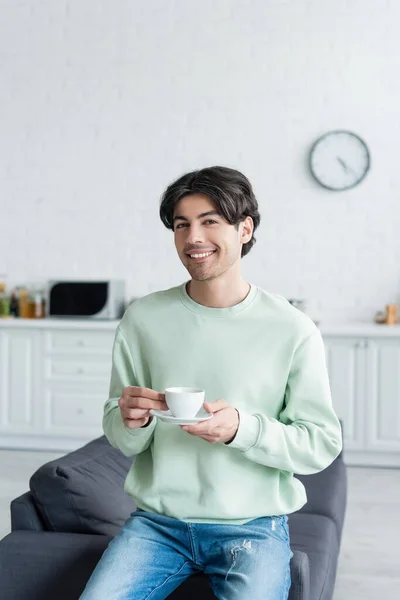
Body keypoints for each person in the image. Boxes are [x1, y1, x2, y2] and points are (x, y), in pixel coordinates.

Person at [80, 166, 342, 600]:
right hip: (156, 525)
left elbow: (320, 443)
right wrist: (131, 419)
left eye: (209, 221)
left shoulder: (292, 329)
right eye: (182, 225)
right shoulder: (143, 319)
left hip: (254, 528)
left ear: (245, 229)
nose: (193, 237)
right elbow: (122, 435)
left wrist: (242, 429)